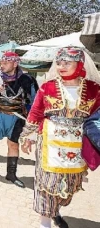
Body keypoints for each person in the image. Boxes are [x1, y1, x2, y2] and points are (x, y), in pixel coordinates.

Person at [19, 47, 100, 228]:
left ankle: (55, 210)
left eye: (67, 63)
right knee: (46, 183)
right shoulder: (47, 86)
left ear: (79, 64)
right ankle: (45, 222)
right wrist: (28, 137)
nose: (61, 66)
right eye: (59, 62)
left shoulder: (95, 89)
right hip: (49, 142)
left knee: (70, 184)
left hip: (77, 144)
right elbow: (36, 112)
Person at [0, 51, 37, 188]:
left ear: (15, 63)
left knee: (13, 145)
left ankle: (11, 174)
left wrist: (31, 120)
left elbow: (34, 100)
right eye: (1, 63)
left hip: (16, 117)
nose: (2, 65)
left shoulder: (27, 79)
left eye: (5, 63)